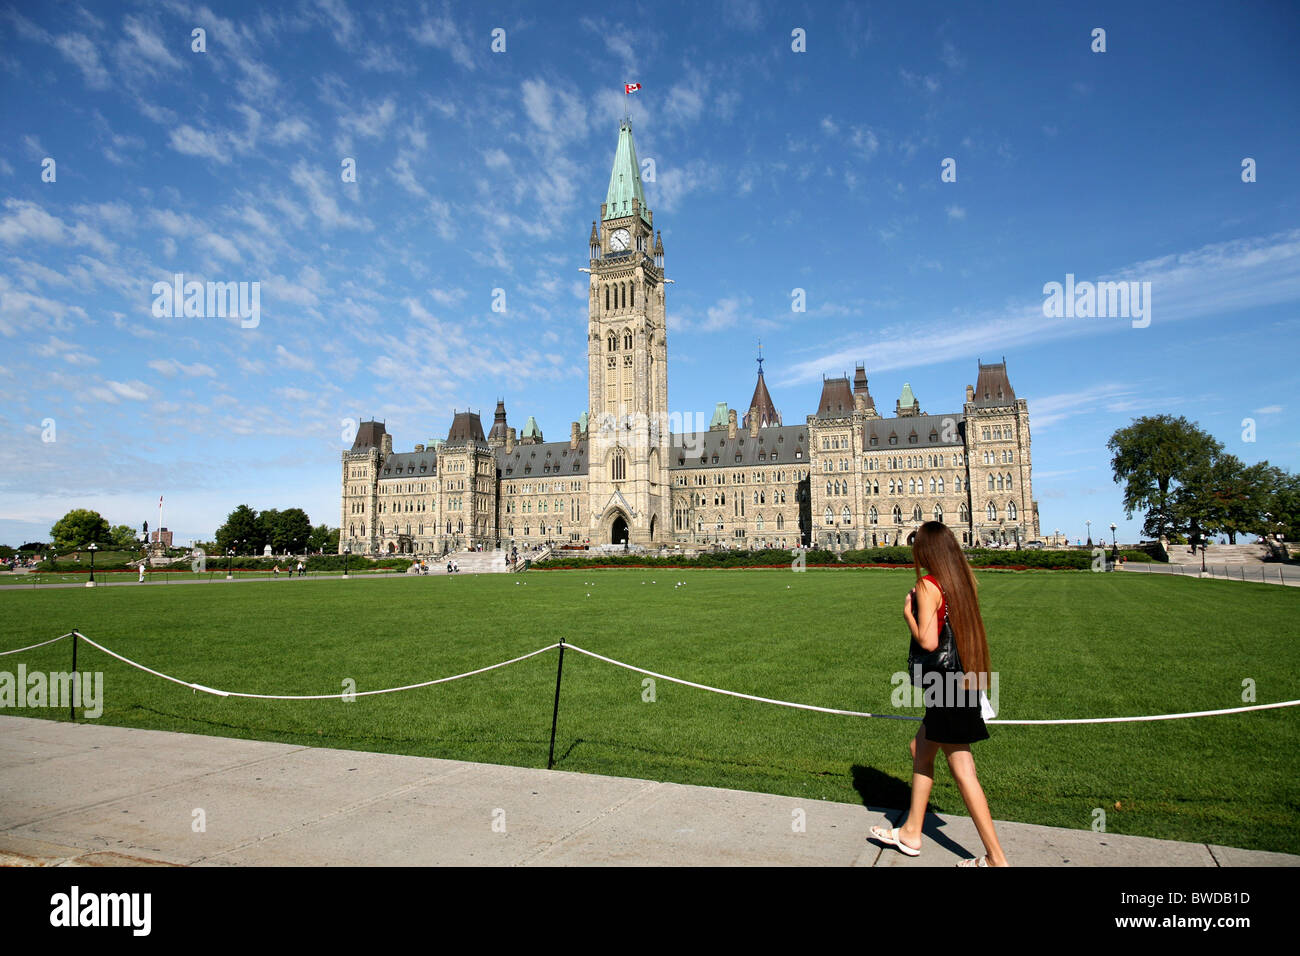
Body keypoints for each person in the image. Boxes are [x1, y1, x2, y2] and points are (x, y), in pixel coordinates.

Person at [870, 520, 1009, 867]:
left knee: (963, 771)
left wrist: (908, 615)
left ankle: (996, 858)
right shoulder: (962, 582)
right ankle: (912, 832)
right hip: (961, 682)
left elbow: (929, 641)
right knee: (920, 748)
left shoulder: (928, 585)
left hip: (946, 686)